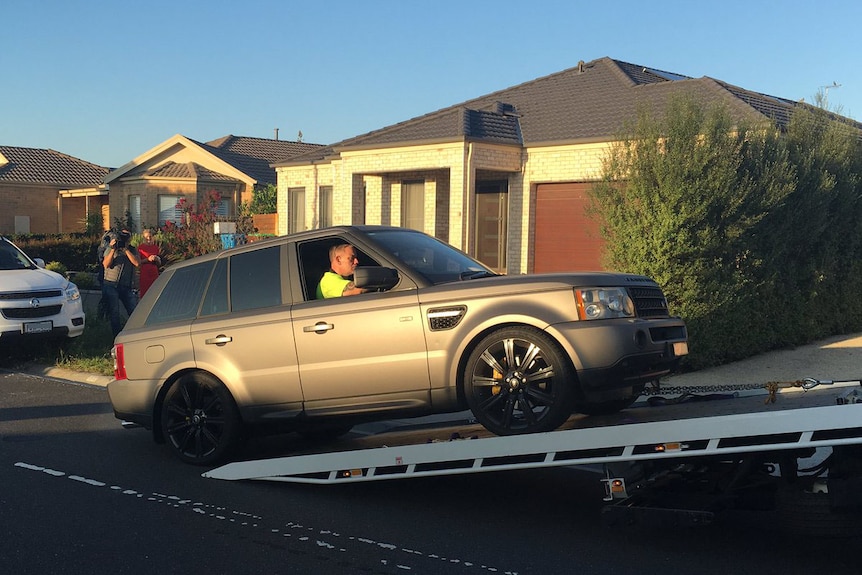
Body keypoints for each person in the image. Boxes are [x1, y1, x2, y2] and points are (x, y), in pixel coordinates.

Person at [102, 229, 140, 336]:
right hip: (111, 285)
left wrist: (126, 249)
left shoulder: (132, 249)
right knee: (115, 313)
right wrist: (113, 249)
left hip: (126, 286)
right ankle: (116, 337)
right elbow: (106, 264)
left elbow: (137, 263)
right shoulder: (111, 248)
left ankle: (135, 333)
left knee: (133, 311)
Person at [137, 228, 162, 298]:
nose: (148, 239)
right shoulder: (140, 248)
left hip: (154, 272)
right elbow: (138, 262)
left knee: (155, 292)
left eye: (150, 237)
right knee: (145, 293)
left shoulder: (155, 247)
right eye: (146, 237)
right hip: (145, 273)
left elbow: (160, 263)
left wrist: (157, 259)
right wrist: (147, 259)